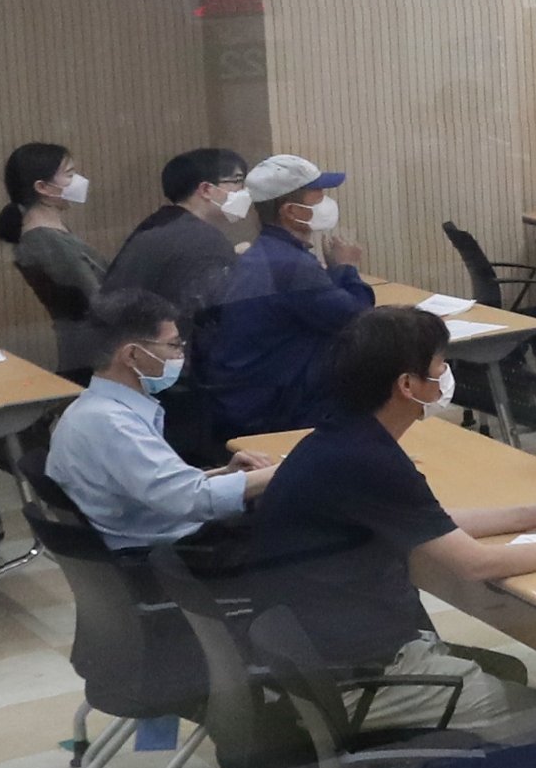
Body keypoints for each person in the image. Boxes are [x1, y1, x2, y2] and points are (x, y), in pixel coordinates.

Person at [231, 305, 536, 724]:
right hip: (363, 676)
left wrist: (532, 515)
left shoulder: (340, 436)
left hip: (331, 653)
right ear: (407, 384)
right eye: (440, 367)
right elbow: (476, 564)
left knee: (509, 672)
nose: (445, 376)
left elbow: (429, 524)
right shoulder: (371, 461)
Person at [43, 290, 281, 552]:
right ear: (132, 355)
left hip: (155, 537)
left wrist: (226, 473)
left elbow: (157, 487)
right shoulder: (114, 425)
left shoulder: (90, 409)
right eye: (173, 345)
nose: (181, 354)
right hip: (173, 555)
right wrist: (287, 469)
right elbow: (194, 501)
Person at [197, 154, 378, 437]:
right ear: (292, 211)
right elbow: (359, 320)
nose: (326, 202)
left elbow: (319, 305)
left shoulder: (269, 253)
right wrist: (347, 268)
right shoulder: (291, 266)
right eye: (318, 195)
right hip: (274, 410)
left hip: (243, 400)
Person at [0, 139, 109, 375]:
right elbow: (98, 301)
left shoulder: (51, 234)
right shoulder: (45, 241)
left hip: (90, 349)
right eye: (70, 174)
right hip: (93, 357)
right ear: (43, 187)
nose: (78, 181)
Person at [102, 146, 247, 325]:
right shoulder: (203, 241)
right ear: (206, 189)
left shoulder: (160, 224)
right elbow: (213, 318)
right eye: (238, 181)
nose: (245, 190)